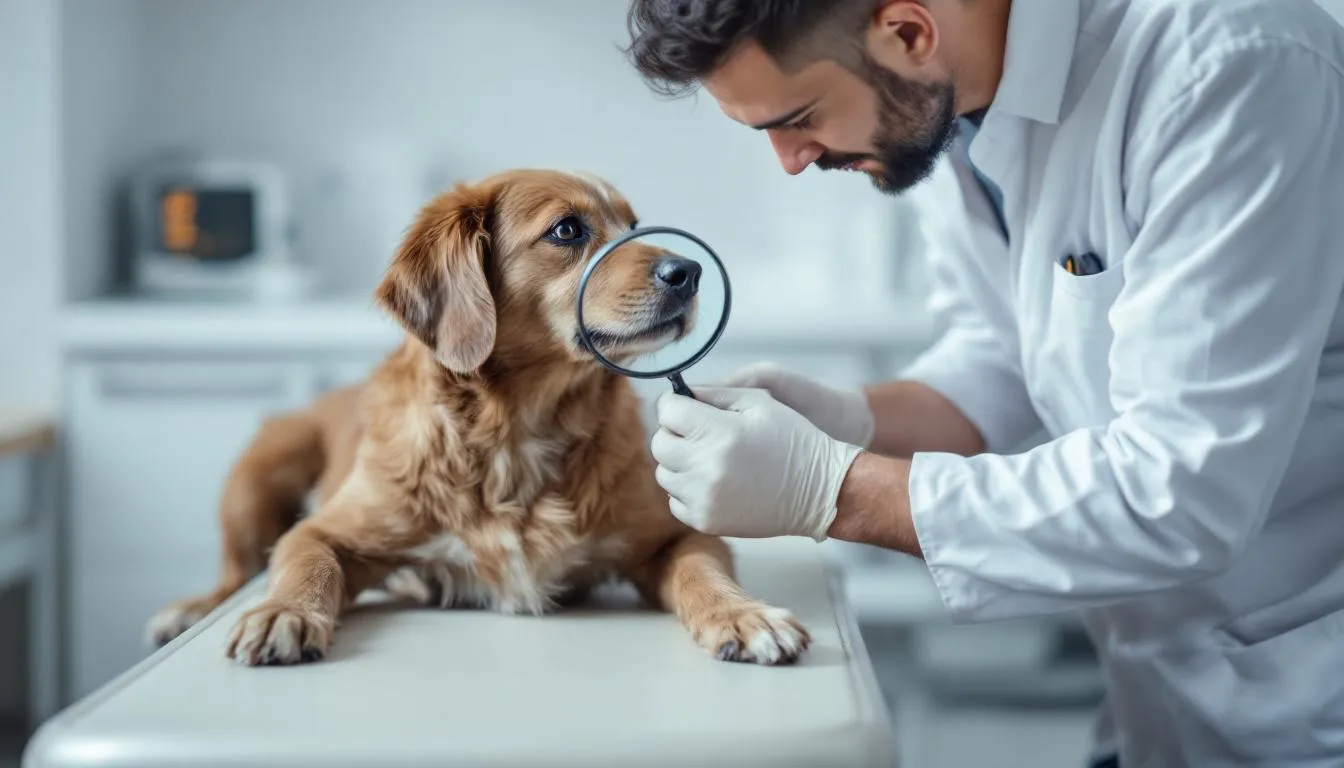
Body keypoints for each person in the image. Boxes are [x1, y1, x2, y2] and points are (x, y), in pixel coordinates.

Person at [622, 0, 1344, 764]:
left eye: (797, 117)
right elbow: (1006, 356)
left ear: (908, 31)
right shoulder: (939, 103)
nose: (791, 159)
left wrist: (829, 488)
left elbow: (1182, 491)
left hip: (1307, 702)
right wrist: (849, 419)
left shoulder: (1230, 65)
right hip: (1161, 699)